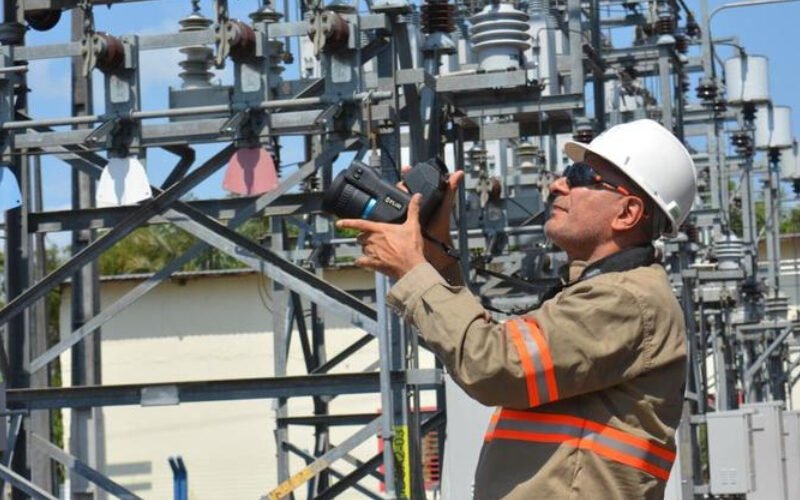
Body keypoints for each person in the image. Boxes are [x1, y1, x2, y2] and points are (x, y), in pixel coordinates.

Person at [337, 119, 697, 499]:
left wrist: (414, 271)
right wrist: (435, 256)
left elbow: (493, 364)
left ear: (627, 213)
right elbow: (494, 347)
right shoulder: (601, 292)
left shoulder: (626, 300)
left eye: (580, 176)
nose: (558, 185)